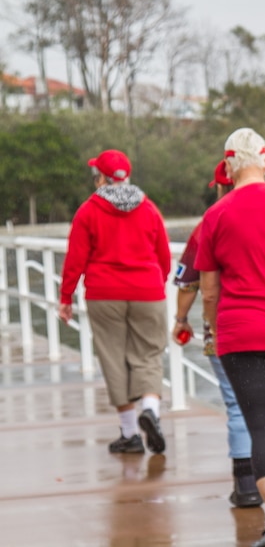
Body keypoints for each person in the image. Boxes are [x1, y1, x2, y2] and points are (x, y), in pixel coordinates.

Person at [195, 128, 265, 547]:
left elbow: (208, 288)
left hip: (239, 333)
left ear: (227, 167)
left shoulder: (216, 215)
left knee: (260, 425)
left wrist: (211, 325)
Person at [59, 149, 171, 455]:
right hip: (147, 290)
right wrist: (154, 284)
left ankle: (130, 433)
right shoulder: (148, 208)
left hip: (104, 294)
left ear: (100, 179)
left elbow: (75, 259)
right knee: (148, 354)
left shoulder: (88, 211)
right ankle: (151, 409)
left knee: (113, 357)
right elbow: (163, 254)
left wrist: (65, 296)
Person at [171, 159, 262, 508]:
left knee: (237, 405)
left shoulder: (209, 224)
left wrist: (181, 319)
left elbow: (188, 282)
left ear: (222, 186)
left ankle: (246, 485)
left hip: (226, 327)